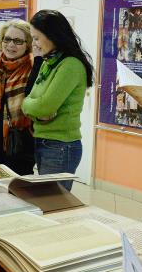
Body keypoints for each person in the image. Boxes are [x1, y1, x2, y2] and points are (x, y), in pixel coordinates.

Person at [21, 10, 93, 190]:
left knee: (52, 203)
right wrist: (33, 108)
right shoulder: (49, 62)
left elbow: (44, 106)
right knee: (45, 199)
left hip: (60, 146)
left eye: (37, 38)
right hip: (44, 141)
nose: (35, 45)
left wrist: (34, 107)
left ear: (52, 35)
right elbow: (28, 100)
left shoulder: (71, 65)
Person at [0, 19, 42, 174]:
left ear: (28, 44)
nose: (11, 45)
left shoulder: (35, 70)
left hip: (19, 147)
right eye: (7, 39)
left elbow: (34, 103)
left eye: (18, 41)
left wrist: (38, 63)